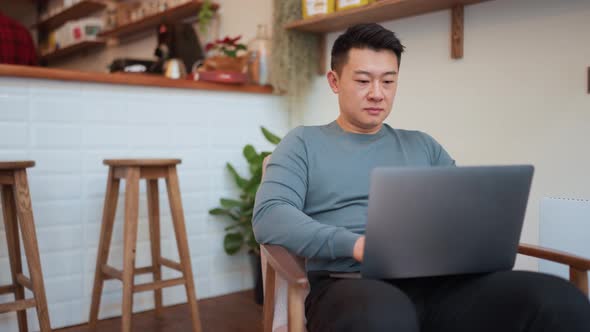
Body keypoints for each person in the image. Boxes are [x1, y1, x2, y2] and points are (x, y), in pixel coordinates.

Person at [253, 23, 590, 332]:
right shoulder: (303, 143)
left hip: (442, 284)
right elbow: (271, 215)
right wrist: (355, 245)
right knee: (384, 314)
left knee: (557, 299)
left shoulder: (423, 145)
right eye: (362, 80)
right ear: (334, 81)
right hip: (349, 283)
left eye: (388, 80)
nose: (377, 93)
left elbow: (465, 211)